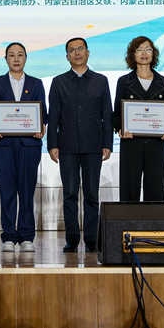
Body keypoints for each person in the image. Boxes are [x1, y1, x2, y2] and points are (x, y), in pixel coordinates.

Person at [47, 37, 112, 254]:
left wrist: (107, 143)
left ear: (88, 52)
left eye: (80, 49)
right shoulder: (59, 82)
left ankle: (92, 239)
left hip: (94, 146)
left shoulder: (101, 81)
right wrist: (52, 144)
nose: (77, 53)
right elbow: (53, 116)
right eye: (72, 50)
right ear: (67, 56)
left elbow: (107, 114)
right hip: (67, 147)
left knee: (92, 194)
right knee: (70, 194)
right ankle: (72, 239)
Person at [0, 42, 47, 253]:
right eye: (11, 55)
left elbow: (43, 112)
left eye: (20, 55)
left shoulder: (36, 83)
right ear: (6, 59)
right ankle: (9, 236)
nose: (16, 58)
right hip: (3, 145)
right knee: (7, 191)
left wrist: (41, 127)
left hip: (29, 145)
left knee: (27, 191)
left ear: (26, 58)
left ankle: (27, 236)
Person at [112, 36, 164, 202]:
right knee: (129, 188)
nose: (144, 53)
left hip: (156, 144)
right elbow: (117, 113)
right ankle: (128, 220)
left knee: (155, 189)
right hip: (131, 143)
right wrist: (120, 128)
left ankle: (153, 220)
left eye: (148, 49)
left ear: (154, 54)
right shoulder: (124, 82)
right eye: (139, 50)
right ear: (132, 54)